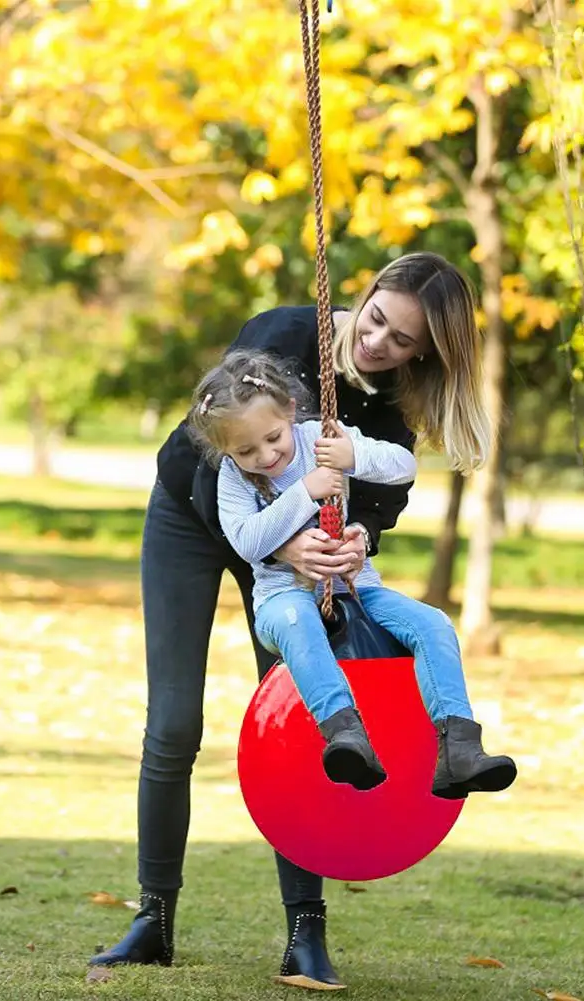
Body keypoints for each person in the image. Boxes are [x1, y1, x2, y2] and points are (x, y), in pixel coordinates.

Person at [89, 252, 494, 991]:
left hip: (296, 572)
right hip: (192, 520)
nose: (378, 342)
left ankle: (305, 933)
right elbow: (211, 452)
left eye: (403, 340)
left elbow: (378, 506)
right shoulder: (282, 334)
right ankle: (153, 918)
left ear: (423, 353)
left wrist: (353, 540)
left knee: (307, 726)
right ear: (367, 293)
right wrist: (280, 540)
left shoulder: (389, 411)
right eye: (377, 319)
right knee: (173, 723)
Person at [189, 349, 518, 797]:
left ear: (289, 411)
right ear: (226, 450)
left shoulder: (321, 439)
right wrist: (305, 491)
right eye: (246, 450)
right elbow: (247, 541)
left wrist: (352, 456)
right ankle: (345, 735)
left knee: (433, 624)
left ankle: (459, 747)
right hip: (283, 600)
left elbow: (403, 467)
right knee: (298, 621)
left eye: (273, 437)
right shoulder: (233, 477)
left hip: (358, 588)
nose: (265, 455)